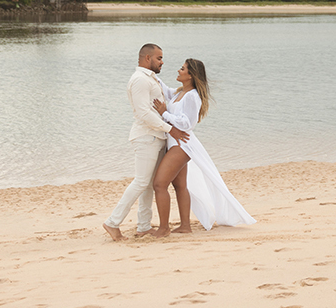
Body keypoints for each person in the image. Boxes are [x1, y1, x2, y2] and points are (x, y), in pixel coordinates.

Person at [148, 58, 256, 236]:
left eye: (182, 69)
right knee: (180, 185)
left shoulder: (192, 96)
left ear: (190, 75)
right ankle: (185, 226)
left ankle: (163, 228)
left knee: (159, 184)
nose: (179, 70)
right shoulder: (180, 93)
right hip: (176, 142)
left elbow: (187, 123)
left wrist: (164, 113)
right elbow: (165, 91)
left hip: (182, 144)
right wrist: (150, 74)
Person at [102, 44, 190, 241]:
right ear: (147, 58)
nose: (162, 62)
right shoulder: (140, 80)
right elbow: (143, 113)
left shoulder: (151, 79)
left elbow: (169, 98)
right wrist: (171, 129)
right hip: (146, 136)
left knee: (149, 184)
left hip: (156, 137)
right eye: (159, 58)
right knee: (141, 182)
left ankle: (143, 226)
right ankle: (112, 222)